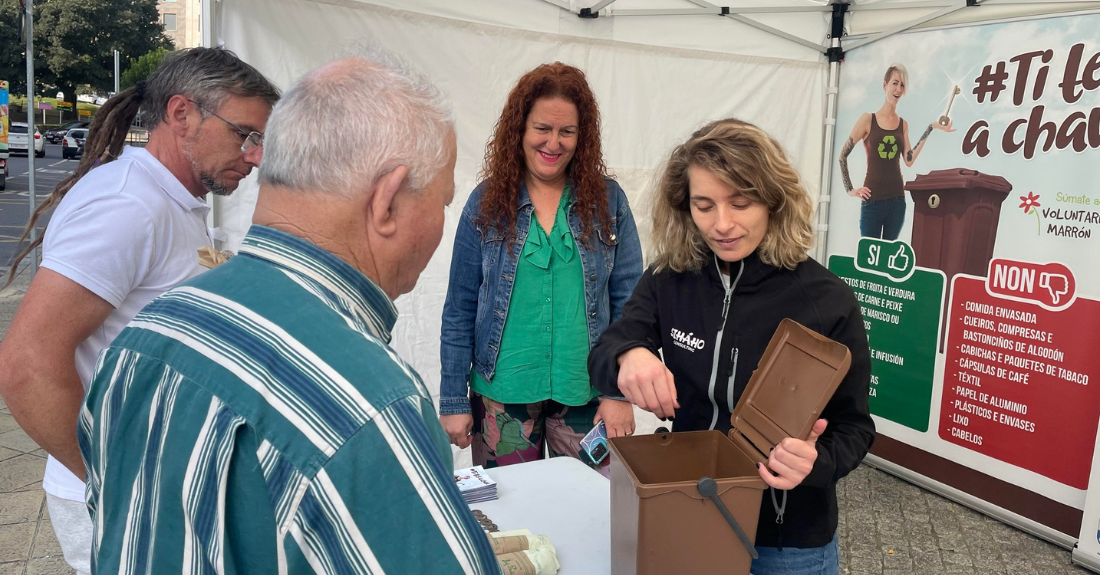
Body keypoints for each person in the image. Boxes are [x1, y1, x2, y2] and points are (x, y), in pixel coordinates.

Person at [77, 47, 500, 574]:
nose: (440, 223)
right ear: (387, 202)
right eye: (440, 202)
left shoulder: (144, 335)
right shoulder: (368, 405)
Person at [0, 48, 279, 575]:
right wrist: (115, 483)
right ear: (181, 115)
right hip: (127, 501)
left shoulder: (170, 201)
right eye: (245, 134)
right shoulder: (128, 205)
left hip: (163, 488)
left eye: (261, 140)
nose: (256, 156)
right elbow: (26, 365)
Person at [588, 118, 875, 575]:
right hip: (689, 515)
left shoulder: (826, 300)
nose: (722, 225)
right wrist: (629, 355)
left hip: (789, 542)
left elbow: (856, 428)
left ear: (774, 200)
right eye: (704, 205)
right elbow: (606, 351)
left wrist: (816, 463)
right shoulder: (670, 278)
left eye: (741, 203)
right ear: (685, 208)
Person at [439, 62, 643, 471]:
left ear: (581, 138)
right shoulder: (485, 203)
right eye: (542, 129)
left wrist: (620, 395)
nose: (554, 142)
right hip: (502, 398)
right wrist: (453, 399)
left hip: (588, 397)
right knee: (512, 520)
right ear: (520, 130)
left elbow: (631, 306)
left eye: (567, 131)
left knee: (591, 516)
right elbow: (460, 306)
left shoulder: (609, 202)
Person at [839, 63, 954, 240]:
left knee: (887, 260)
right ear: (885, 85)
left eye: (902, 85)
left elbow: (908, 160)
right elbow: (843, 156)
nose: (898, 89)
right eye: (895, 83)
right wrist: (850, 190)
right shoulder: (868, 119)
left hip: (897, 202)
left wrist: (930, 128)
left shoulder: (903, 125)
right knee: (868, 257)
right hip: (872, 201)